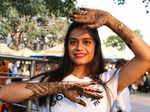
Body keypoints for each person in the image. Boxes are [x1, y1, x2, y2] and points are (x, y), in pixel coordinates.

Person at [0, 8, 150, 112]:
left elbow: (146, 57)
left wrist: (110, 20)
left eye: (86, 42)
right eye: (73, 42)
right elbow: (4, 93)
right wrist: (59, 87)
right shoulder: (50, 79)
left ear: (95, 47)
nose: (79, 47)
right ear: (67, 46)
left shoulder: (108, 81)